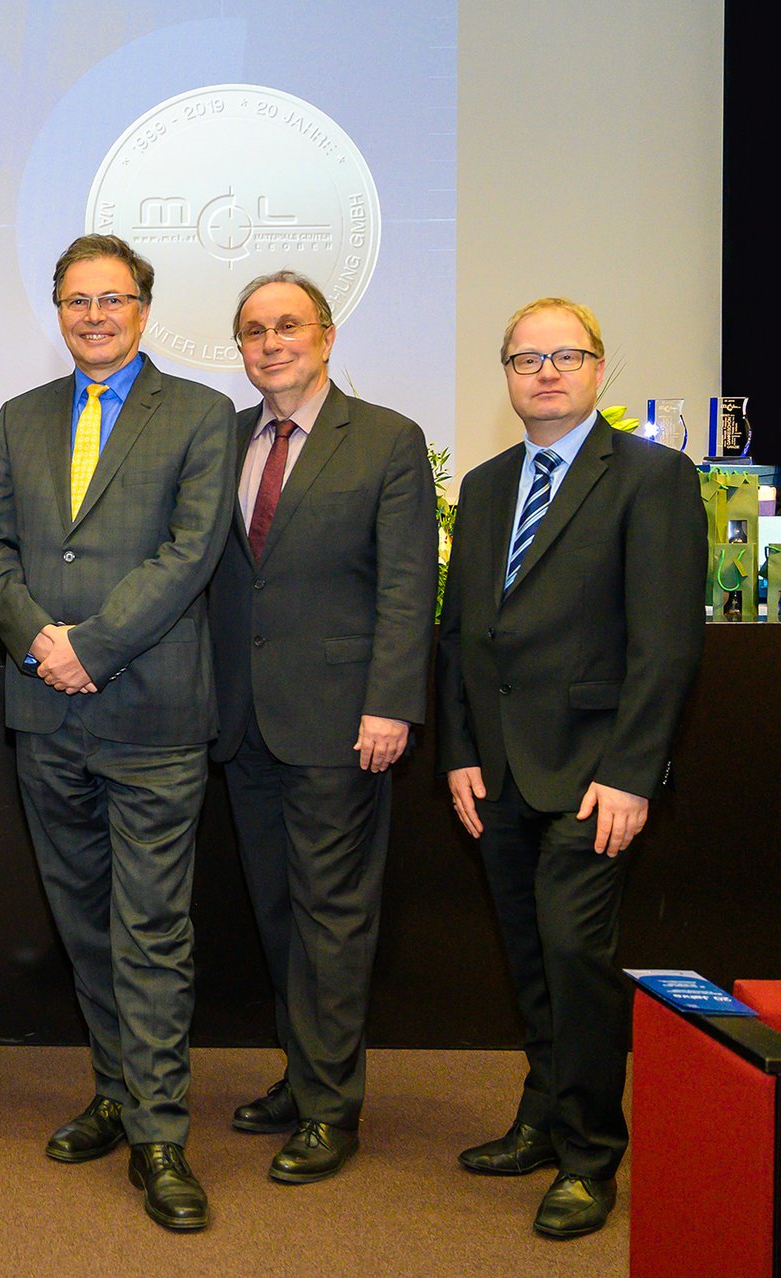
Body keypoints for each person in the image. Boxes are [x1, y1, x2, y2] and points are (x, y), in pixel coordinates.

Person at [0, 234, 235, 1230]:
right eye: (76, 301)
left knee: (153, 928)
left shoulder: (201, 415)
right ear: (57, 309)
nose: (93, 316)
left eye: (112, 300)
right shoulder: (21, 416)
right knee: (84, 921)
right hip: (45, 709)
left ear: (143, 309)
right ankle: (119, 1093)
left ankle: (162, 1134)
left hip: (151, 711)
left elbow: (189, 551)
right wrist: (39, 638)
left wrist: (96, 645)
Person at [438, 297, 704, 1238]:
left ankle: (591, 1155)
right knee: (530, 956)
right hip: (500, 774)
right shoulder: (483, 483)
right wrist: (460, 750)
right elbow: (465, 632)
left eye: (566, 356)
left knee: (576, 955)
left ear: (599, 369)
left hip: (596, 774)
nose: (545, 372)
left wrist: (634, 772)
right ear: (506, 374)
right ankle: (543, 1118)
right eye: (526, 358)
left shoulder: (652, 478)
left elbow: (666, 644)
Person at [208, 271, 437, 1183]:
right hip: (243, 720)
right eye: (255, 330)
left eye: (288, 326)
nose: (272, 343)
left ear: (328, 336)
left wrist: (391, 702)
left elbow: (407, 584)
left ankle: (332, 1109)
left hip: (344, 723)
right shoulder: (223, 439)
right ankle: (303, 1079)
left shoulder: (385, 438)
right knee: (275, 912)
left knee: (332, 918)